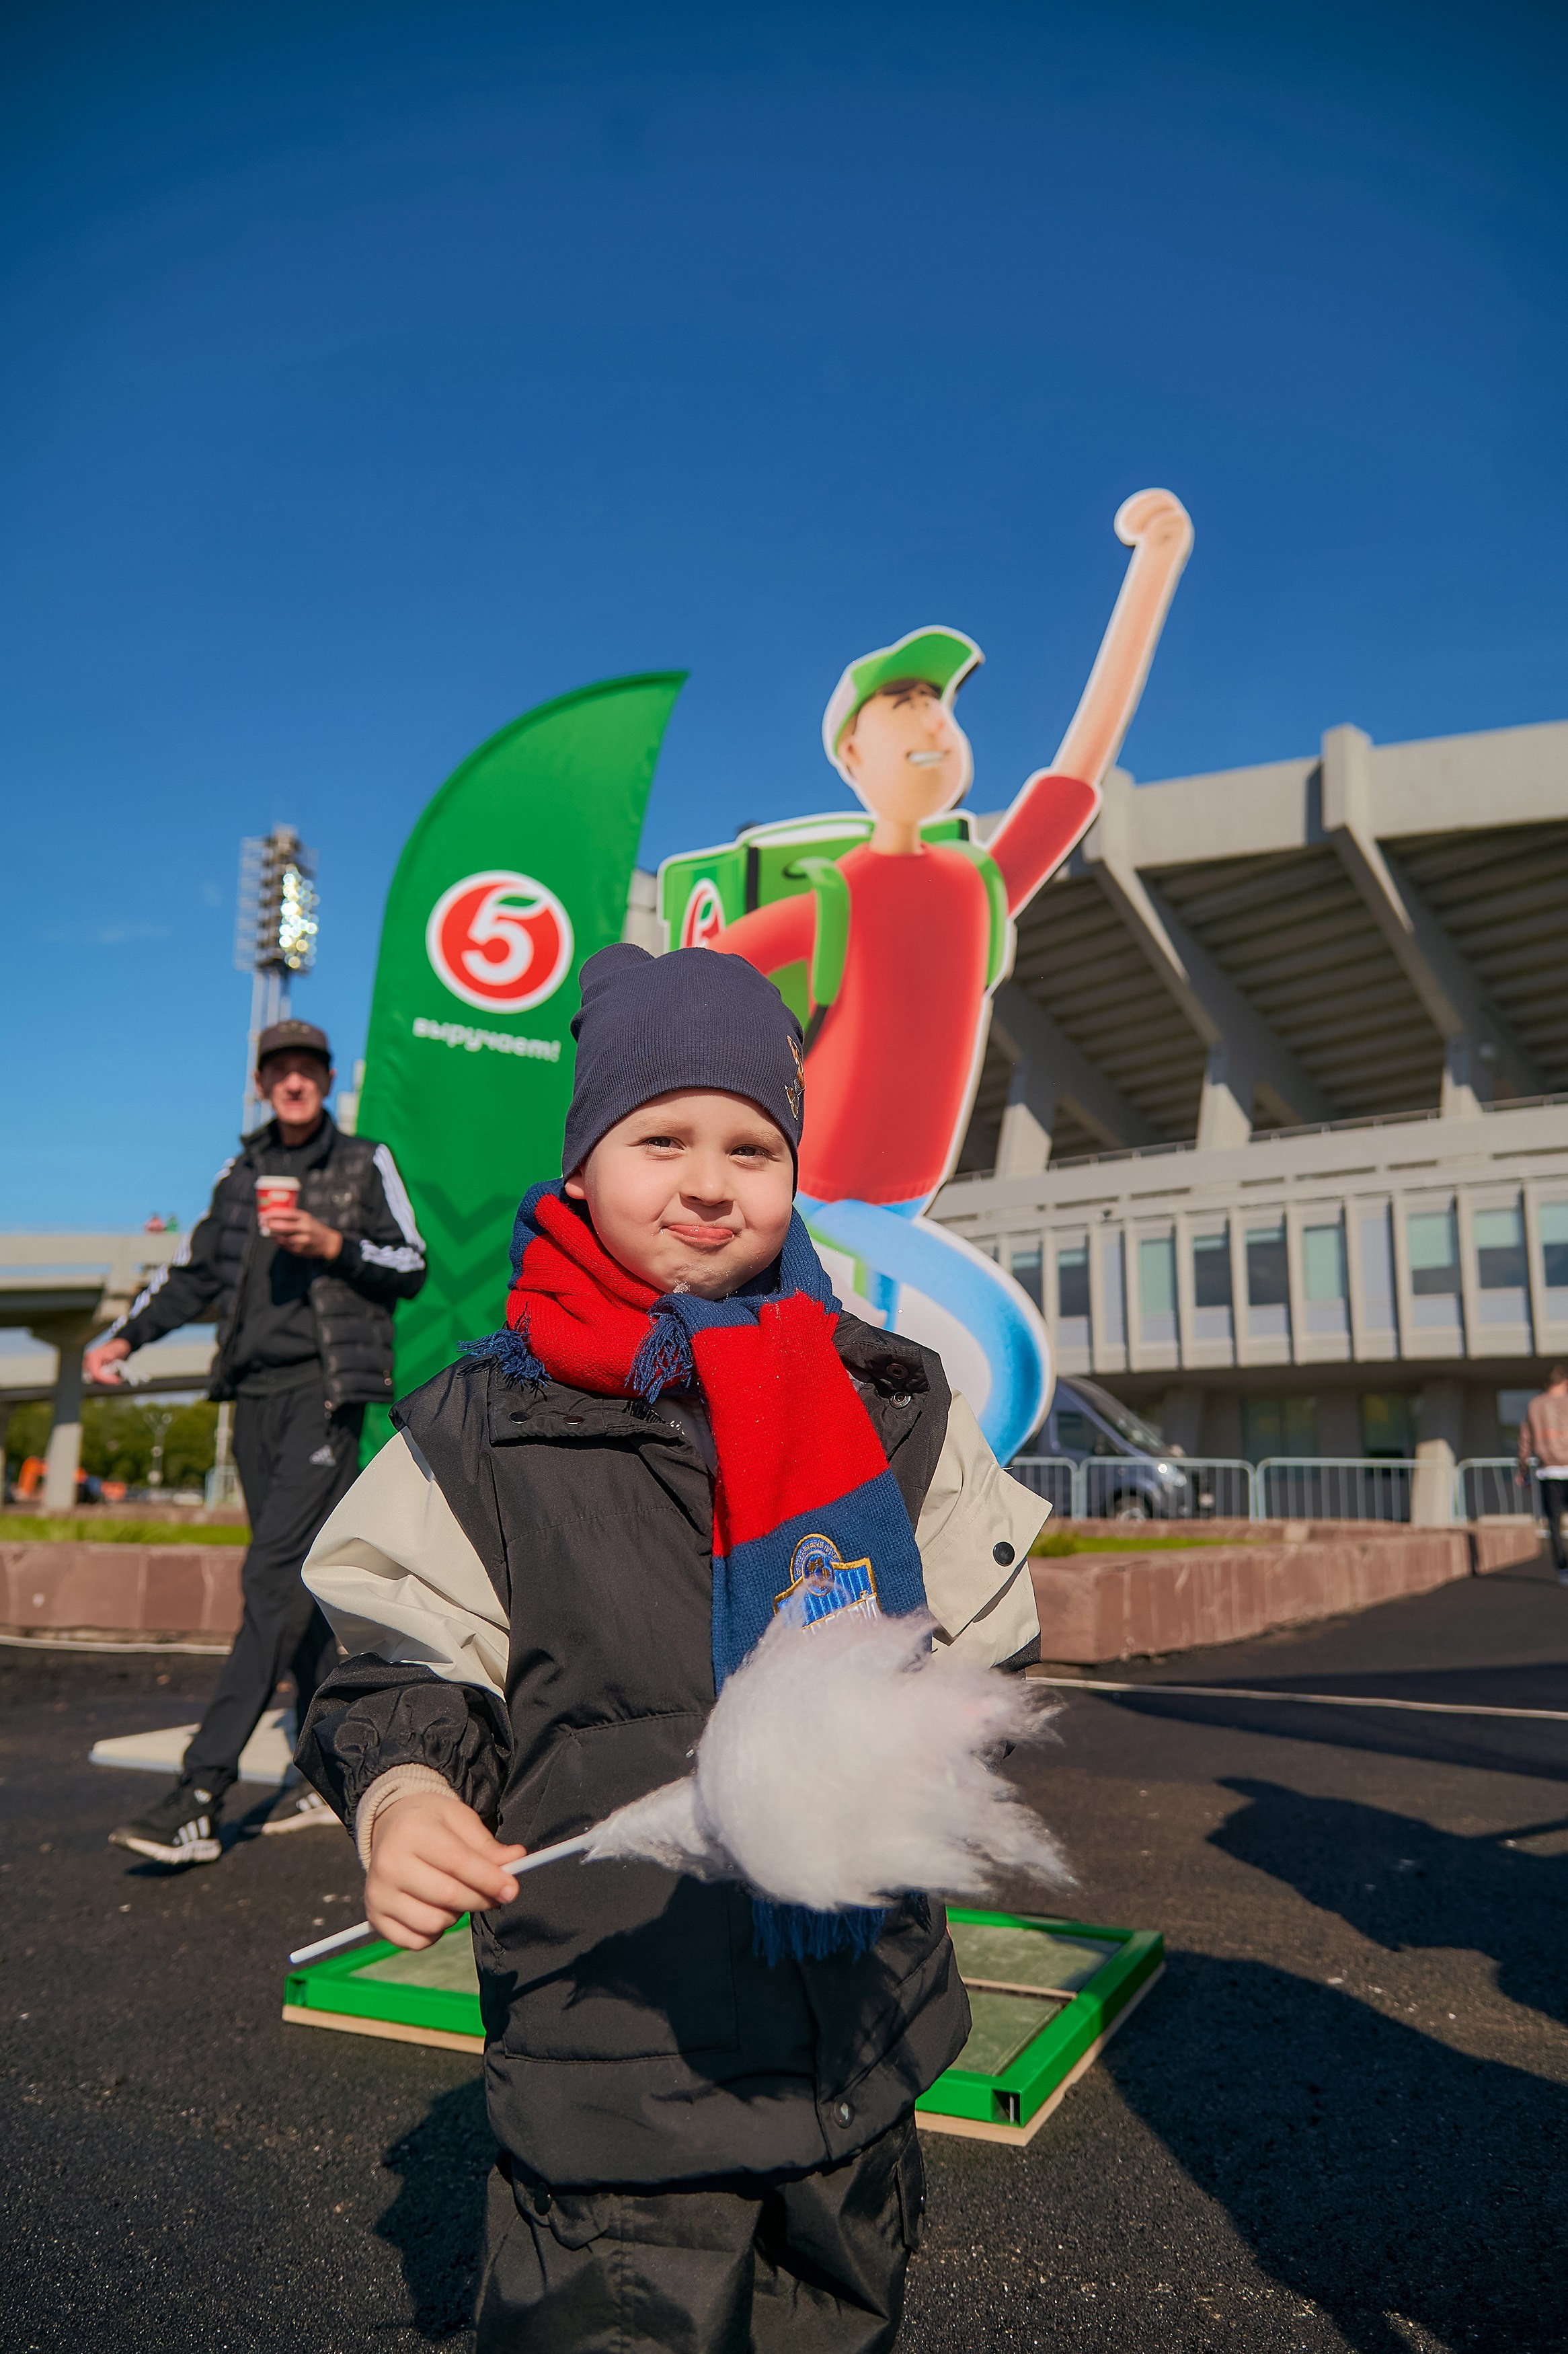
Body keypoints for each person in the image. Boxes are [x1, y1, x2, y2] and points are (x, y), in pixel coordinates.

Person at [295, 944, 1048, 2354]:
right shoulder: (486, 1419)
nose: (710, 1179)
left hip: (860, 2045)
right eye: (661, 1138)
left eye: (751, 1146)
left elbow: (980, 1631)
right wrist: (404, 1792)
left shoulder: (888, 1396)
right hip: (613, 2058)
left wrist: (957, 1706)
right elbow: (398, 1657)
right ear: (581, 1165)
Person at [713, 489, 1193, 1461]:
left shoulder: (978, 887)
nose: (932, 716)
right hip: (827, 1198)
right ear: (854, 751)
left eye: (938, 698)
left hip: (895, 1198)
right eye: (905, 701)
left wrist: (1154, 569)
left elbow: (1082, 761)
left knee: (862, 1386)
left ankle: (848, 1532)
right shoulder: (841, 894)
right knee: (1005, 1361)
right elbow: (703, 967)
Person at [86, 1019, 427, 1865]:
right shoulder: (239, 1174)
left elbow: (411, 1260)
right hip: (256, 1396)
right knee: (297, 1592)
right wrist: (125, 1337)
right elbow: (194, 1272)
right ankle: (338, 1769)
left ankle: (200, 1791)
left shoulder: (361, 1162)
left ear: (325, 1077)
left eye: (307, 1066)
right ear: (263, 1081)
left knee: (269, 1577)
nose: (293, 1079)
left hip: (325, 1392)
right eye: (279, 1067)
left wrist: (332, 1242)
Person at [1518, 1365, 1568, 1584]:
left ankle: (1563, 1570)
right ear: (1565, 1382)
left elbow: (1525, 1440)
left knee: (1554, 1522)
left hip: (1549, 1472)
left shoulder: (1535, 1405)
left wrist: (1523, 1469)